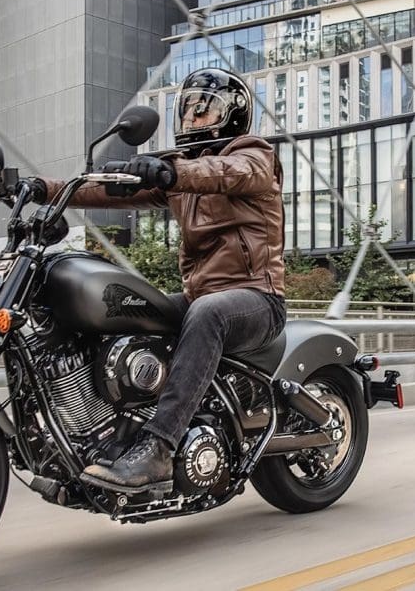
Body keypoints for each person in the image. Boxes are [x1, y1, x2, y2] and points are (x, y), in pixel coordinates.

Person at [34, 68, 287, 492]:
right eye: (187, 109)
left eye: (205, 110)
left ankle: (159, 450)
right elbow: (108, 190)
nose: (192, 117)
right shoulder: (184, 173)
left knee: (209, 313)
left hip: (256, 298)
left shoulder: (254, 156)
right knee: (121, 307)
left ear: (233, 117)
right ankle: (102, 436)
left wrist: (168, 171)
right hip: (198, 295)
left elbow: (226, 171)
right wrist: (45, 188)